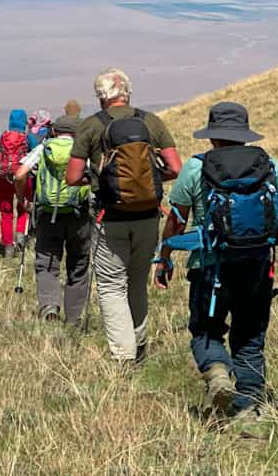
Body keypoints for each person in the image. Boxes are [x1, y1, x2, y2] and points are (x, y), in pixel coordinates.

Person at [154, 101, 278, 427]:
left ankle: (218, 375)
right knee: (250, 337)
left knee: (205, 331)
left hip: (210, 267)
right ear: (244, 135)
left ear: (212, 137)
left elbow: (177, 220)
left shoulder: (196, 168)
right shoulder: (267, 164)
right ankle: (249, 412)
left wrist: (163, 259)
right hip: (257, 264)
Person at [65, 68, 182, 367]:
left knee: (110, 284)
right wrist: (146, 181)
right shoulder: (151, 121)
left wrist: (100, 181)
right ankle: (140, 344)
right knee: (137, 280)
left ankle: (123, 356)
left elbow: (73, 176)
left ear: (101, 96)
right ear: (127, 92)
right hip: (148, 215)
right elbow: (175, 168)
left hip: (110, 216)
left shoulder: (91, 126)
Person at [13, 114, 92, 324]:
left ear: (55, 131)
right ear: (78, 133)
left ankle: (49, 307)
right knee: (78, 264)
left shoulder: (43, 148)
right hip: (79, 215)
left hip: (47, 214)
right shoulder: (83, 152)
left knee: (47, 262)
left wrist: (23, 201)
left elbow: (20, 175)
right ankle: (74, 317)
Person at [0, 109, 39, 257]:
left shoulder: (0, 137)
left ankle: (8, 246)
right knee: (23, 208)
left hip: (3, 179)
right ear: (23, 122)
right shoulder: (28, 138)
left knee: (6, 213)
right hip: (23, 178)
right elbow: (37, 155)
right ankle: (21, 238)